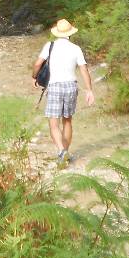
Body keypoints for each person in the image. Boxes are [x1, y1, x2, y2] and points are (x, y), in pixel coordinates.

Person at [31, 18, 94, 165]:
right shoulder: (76, 48)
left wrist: (34, 77)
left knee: (54, 124)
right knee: (67, 121)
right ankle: (65, 153)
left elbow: (38, 64)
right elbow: (84, 70)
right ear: (70, 33)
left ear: (57, 33)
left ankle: (61, 151)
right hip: (71, 86)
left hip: (55, 86)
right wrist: (89, 90)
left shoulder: (50, 46)